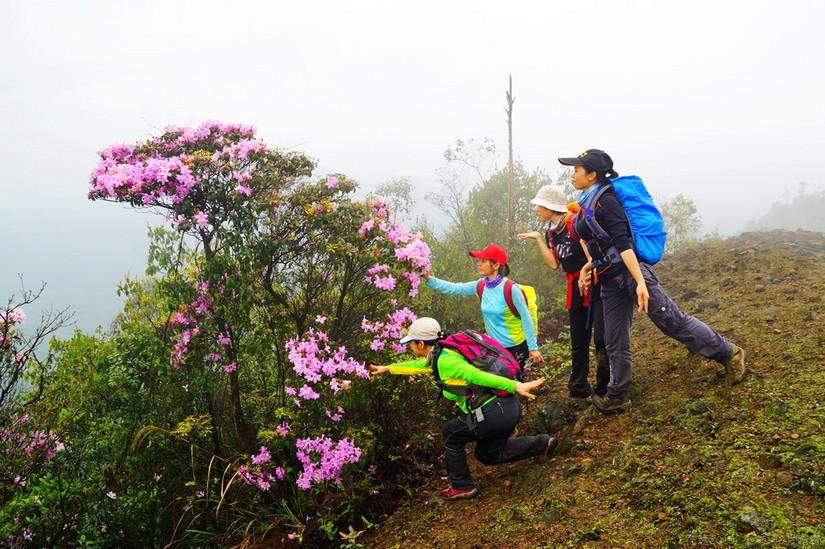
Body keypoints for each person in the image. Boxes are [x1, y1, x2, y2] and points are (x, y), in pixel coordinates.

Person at [556, 149, 746, 414]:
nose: (572, 175)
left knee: (671, 320)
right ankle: (618, 393)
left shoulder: (606, 200)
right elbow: (602, 242)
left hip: (629, 272)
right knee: (614, 339)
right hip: (609, 277)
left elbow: (623, 242)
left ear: (592, 174)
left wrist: (640, 283)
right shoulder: (587, 200)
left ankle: (729, 353)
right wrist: (589, 267)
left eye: (576, 170)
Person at [370, 317, 558, 500]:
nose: (410, 347)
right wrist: (388, 368)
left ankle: (462, 486)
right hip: (507, 408)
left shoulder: (446, 361)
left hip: (494, 413)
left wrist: (515, 386)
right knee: (487, 454)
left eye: (411, 343)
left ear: (420, 344)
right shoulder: (445, 352)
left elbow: (475, 375)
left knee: (451, 433)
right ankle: (542, 443)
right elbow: (421, 366)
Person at [518, 186, 609, 399]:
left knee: (602, 337)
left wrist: (586, 276)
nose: (537, 210)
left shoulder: (574, 224)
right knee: (578, 338)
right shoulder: (551, 231)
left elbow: (592, 257)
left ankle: (605, 387)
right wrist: (539, 239)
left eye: (540, 205)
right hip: (574, 286)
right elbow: (553, 264)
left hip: (595, 282)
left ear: (551, 207)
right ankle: (578, 386)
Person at [424, 244, 543, 369]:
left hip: (516, 347)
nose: (478, 264)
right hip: (494, 347)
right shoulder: (481, 285)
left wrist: (533, 348)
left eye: (483, 261)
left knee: (515, 385)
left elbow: (526, 319)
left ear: (496, 265)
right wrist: (428, 278)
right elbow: (454, 288)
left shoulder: (511, 289)